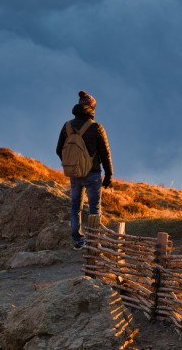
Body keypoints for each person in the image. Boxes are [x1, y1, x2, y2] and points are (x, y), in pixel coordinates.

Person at [56, 90, 113, 250]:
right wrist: (109, 174)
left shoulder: (67, 126)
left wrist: (71, 164)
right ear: (92, 108)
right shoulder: (96, 128)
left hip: (75, 174)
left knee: (75, 207)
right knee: (94, 208)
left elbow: (59, 149)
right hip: (93, 174)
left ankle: (78, 240)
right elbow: (105, 153)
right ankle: (95, 241)